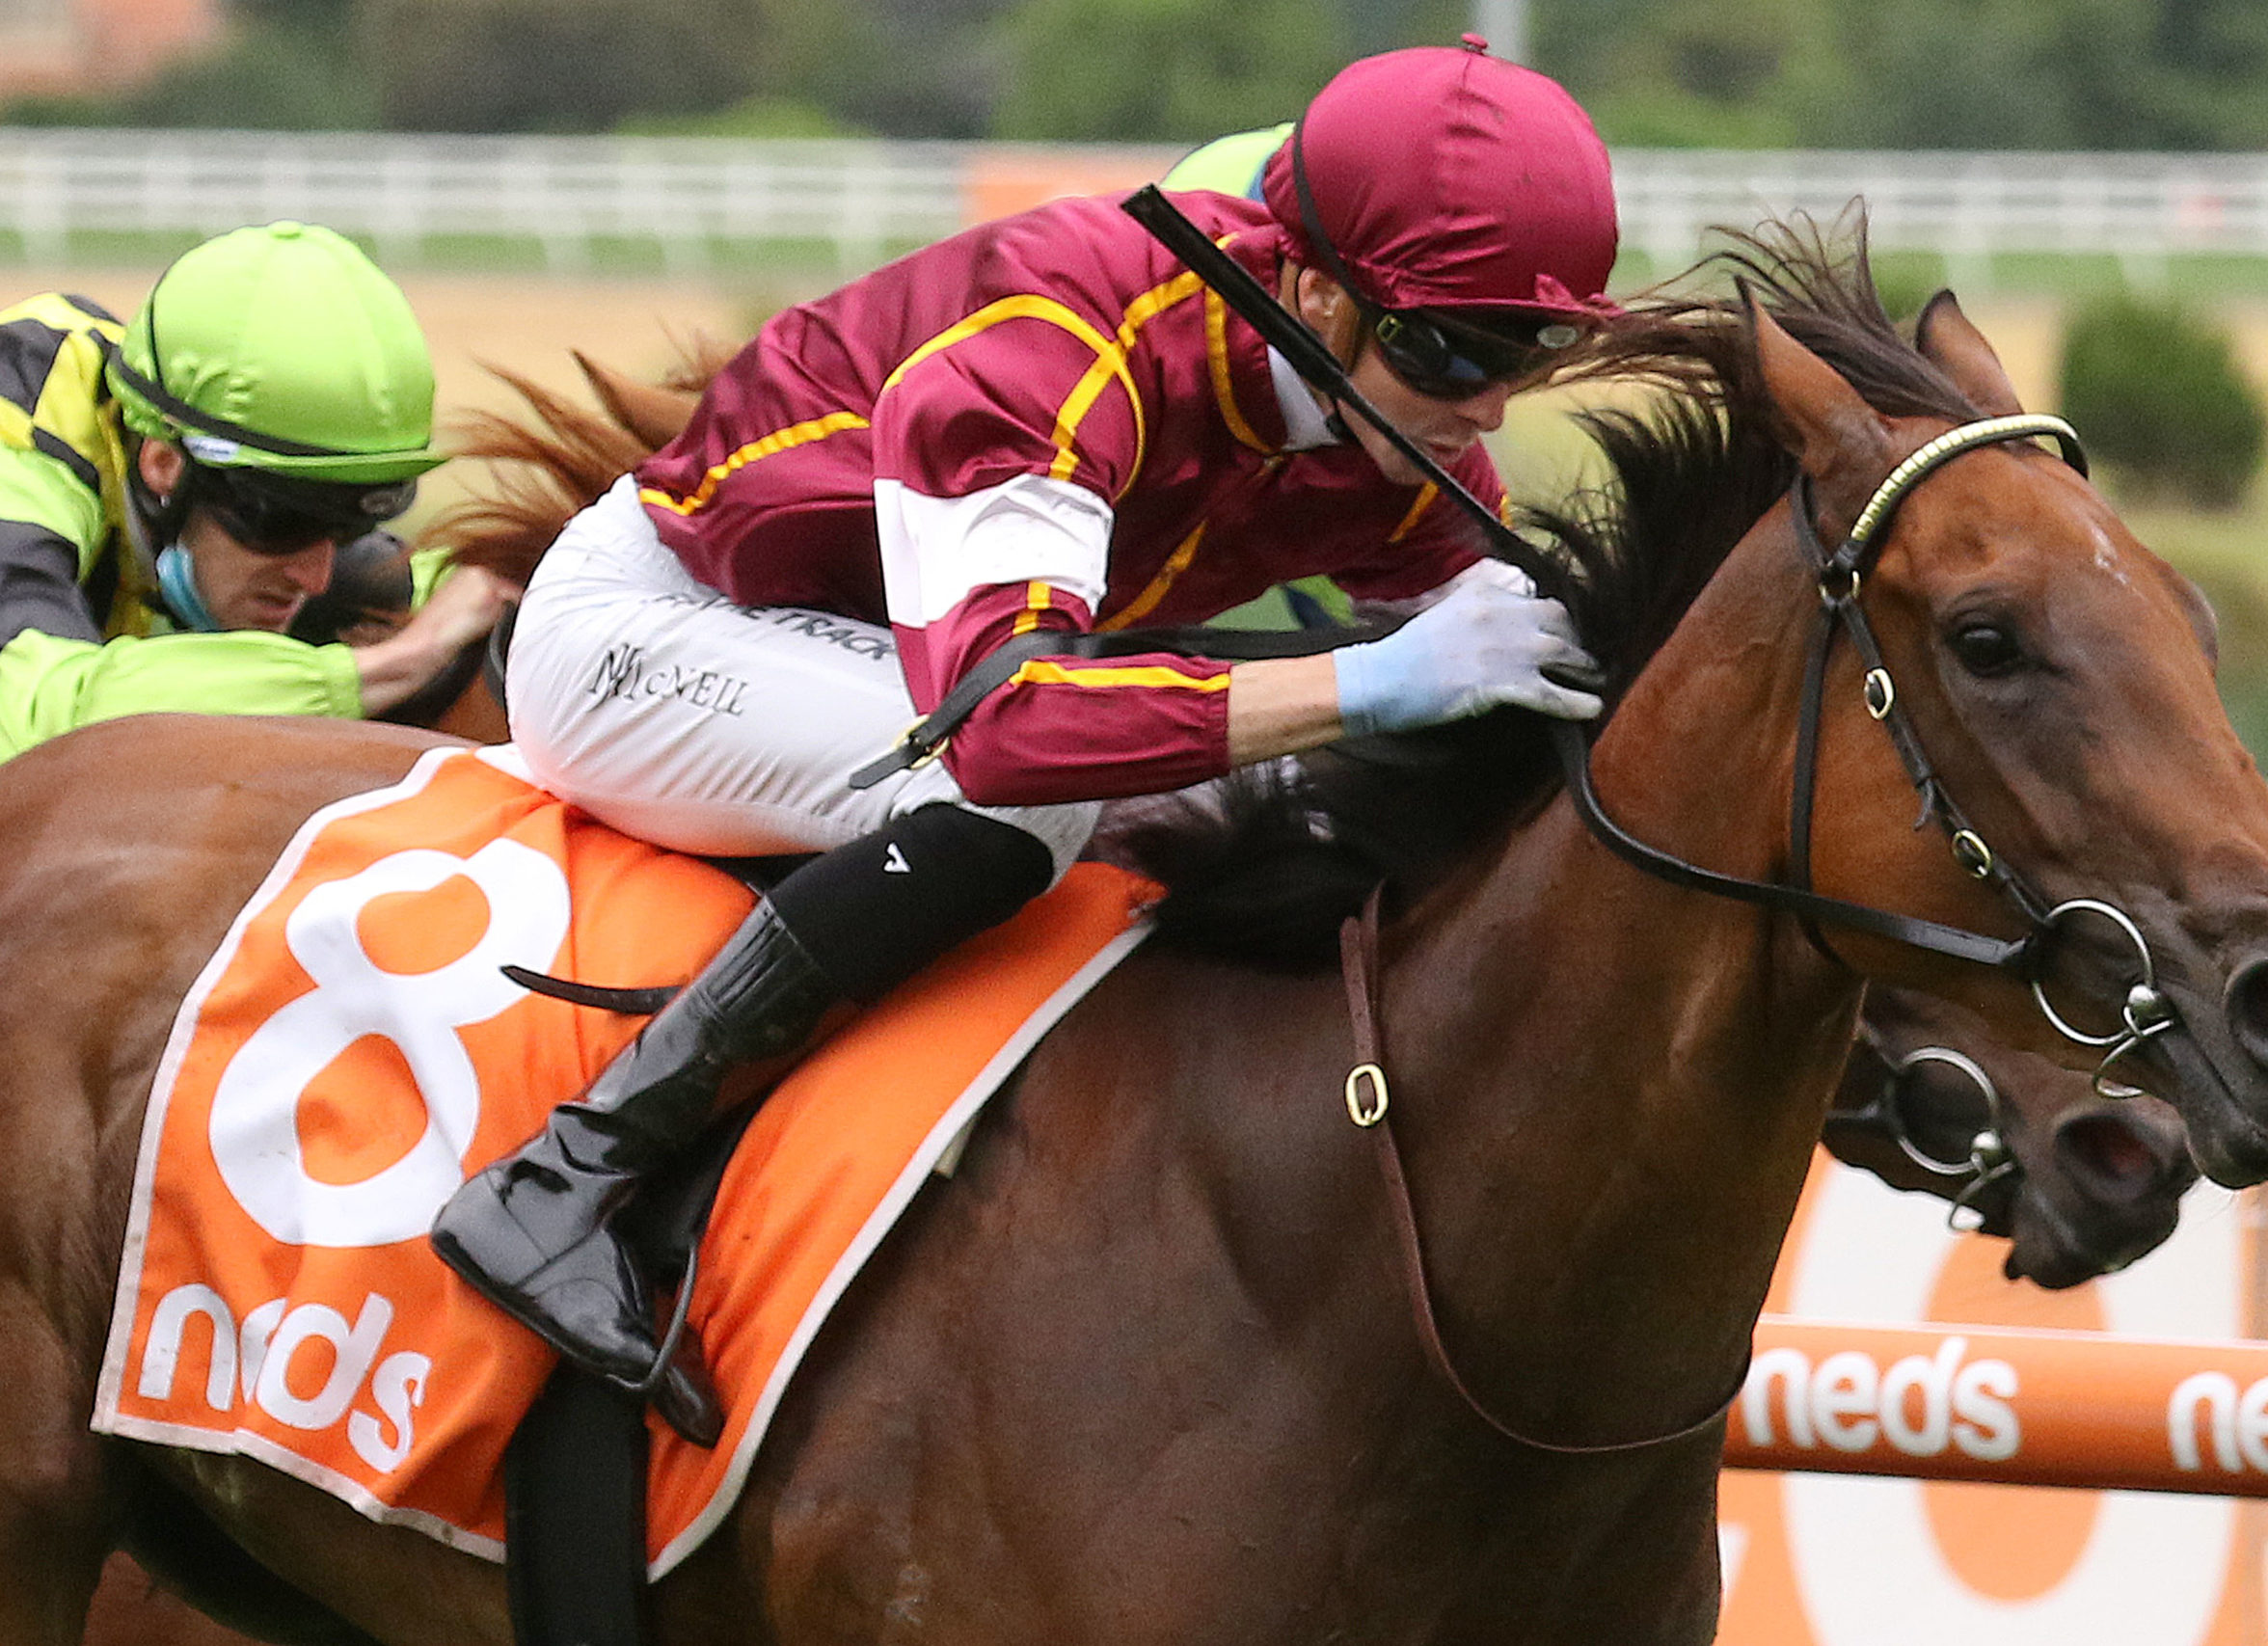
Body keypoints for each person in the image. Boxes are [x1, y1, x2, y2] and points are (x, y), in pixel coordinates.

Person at [431, 38, 1618, 1444]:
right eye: (1450, 349)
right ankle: (565, 1176)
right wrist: (1364, 683)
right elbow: (1009, 728)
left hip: (872, 658)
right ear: (1313, 294)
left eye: (1529, 353)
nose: (1486, 404)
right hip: (656, 630)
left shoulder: (1389, 428)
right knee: (1033, 804)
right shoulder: (1058, 340)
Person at [0, 221, 518, 761]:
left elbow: (449, 590)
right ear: (164, 462)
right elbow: (37, 719)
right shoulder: (18, 451)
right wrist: (396, 662)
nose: (316, 577)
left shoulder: (219, 489)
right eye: (286, 522)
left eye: (347, 528)